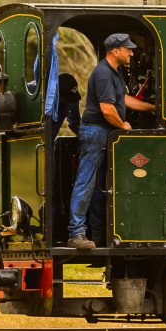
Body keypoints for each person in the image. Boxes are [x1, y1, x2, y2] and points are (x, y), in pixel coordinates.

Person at [66, 33, 155, 249]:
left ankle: (97, 236)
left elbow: (123, 99)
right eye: (128, 49)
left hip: (104, 133)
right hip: (96, 132)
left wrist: (154, 108)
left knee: (99, 188)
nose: (132, 53)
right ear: (116, 51)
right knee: (86, 182)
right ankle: (76, 234)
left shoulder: (115, 73)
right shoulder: (104, 73)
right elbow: (107, 110)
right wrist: (123, 125)